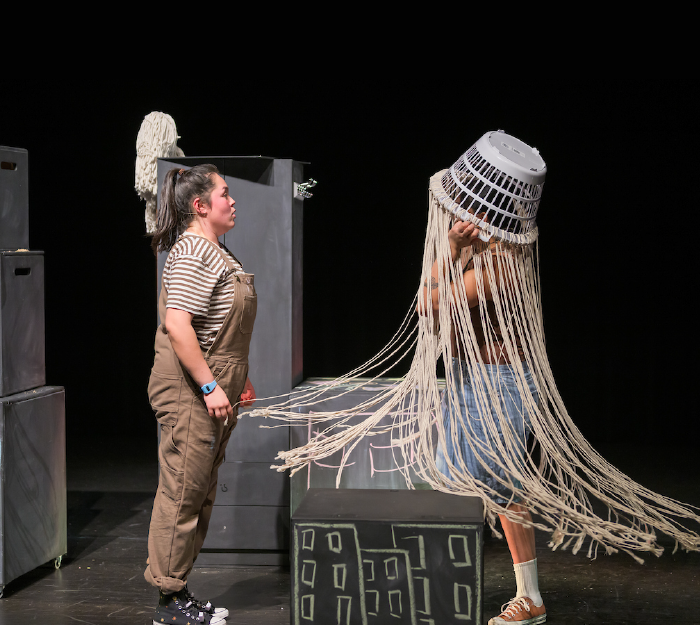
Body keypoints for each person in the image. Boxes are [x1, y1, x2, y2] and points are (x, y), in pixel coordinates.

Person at [145, 164, 256, 625]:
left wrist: (236, 380)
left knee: (200, 492)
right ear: (200, 205)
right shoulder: (193, 252)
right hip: (190, 392)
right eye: (225, 194)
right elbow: (177, 325)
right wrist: (210, 384)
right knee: (183, 493)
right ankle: (169, 604)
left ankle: (180, 591)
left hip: (212, 387)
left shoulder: (218, 252)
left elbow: (220, 329)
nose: (233, 201)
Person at [422, 217, 546, 625]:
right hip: (468, 376)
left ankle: (528, 598)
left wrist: (451, 250)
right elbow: (431, 301)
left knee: (500, 486)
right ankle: (443, 584)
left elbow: (432, 302)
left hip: (498, 381)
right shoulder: (478, 253)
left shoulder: (505, 260)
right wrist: (453, 249)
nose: (461, 219)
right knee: (460, 480)